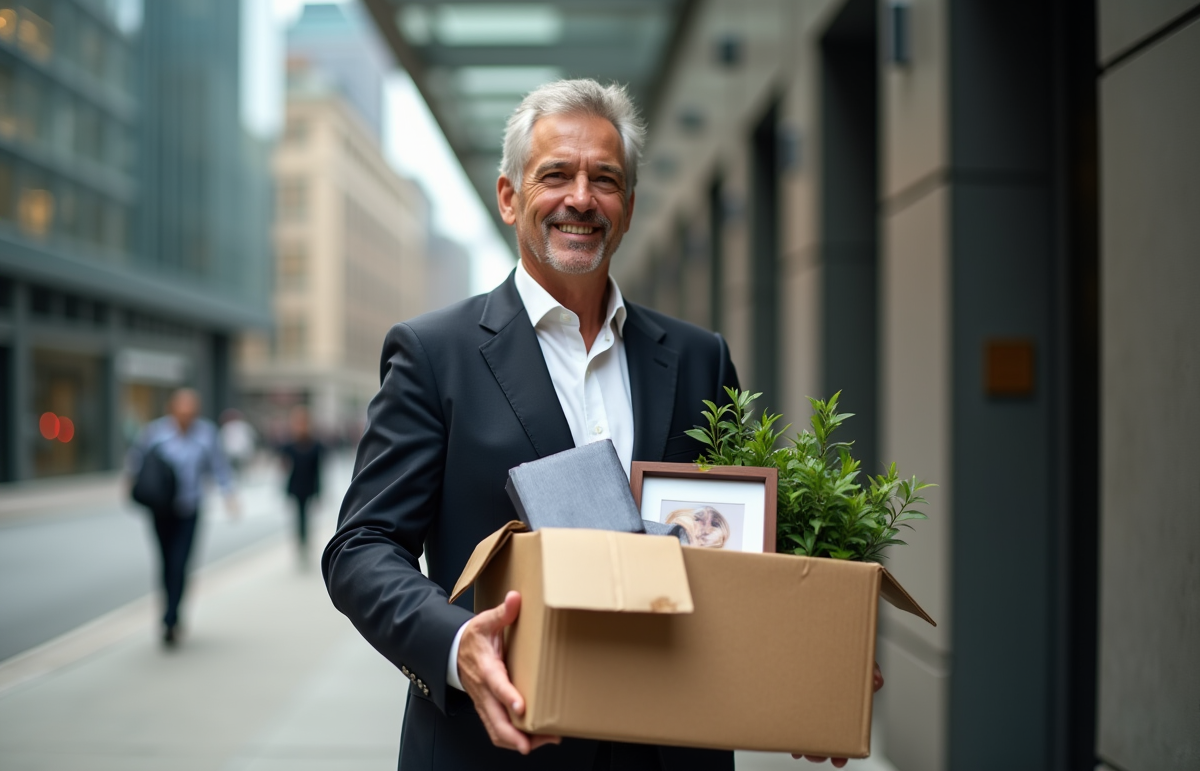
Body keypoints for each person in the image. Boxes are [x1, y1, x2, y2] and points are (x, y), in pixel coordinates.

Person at [322, 79, 877, 770]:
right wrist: (454, 642)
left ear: (630, 205)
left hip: (673, 751)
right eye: (555, 174)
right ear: (508, 197)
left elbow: (743, 543)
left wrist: (807, 657)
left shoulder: (700, 358)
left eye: (604, 179)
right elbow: (362, 547)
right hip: (493, 748)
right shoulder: (434, 355)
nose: (581, 198)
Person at [127, 388, 237, 647]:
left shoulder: (206, 435)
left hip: (189, 509)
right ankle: (169, 612)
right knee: (165, 562)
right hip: (161, 510)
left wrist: (228, 493)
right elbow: (136, 462)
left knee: (180, 563)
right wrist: (132, 484)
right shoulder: (155, 434)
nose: (186, 417)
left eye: (191, 412)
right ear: (172, 410)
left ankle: (171, 619)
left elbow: (218, 466)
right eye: (182, 412)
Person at [279, 405, 324, 561]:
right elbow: (284, 466)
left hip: (309, 485)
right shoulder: (289, 445)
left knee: (306, 516)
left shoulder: (315, 445)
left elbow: (319, 471)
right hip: (296, 485)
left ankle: (305, 542)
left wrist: (320, 491)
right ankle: (301, 543)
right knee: (299, 517)